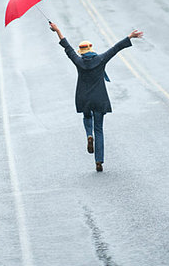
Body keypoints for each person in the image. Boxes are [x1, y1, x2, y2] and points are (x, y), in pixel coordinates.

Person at [49, 22, 143, 172]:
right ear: (91, 50)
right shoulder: (100, 59)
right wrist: (130, 36)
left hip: (84, 98)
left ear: (81, 51)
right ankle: (99, 161)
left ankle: (88, 135)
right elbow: (115, 48)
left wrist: (57, 30)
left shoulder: (78, 61)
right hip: (99, 99)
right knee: (99, 129)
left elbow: (67, 47)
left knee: (87, 118)